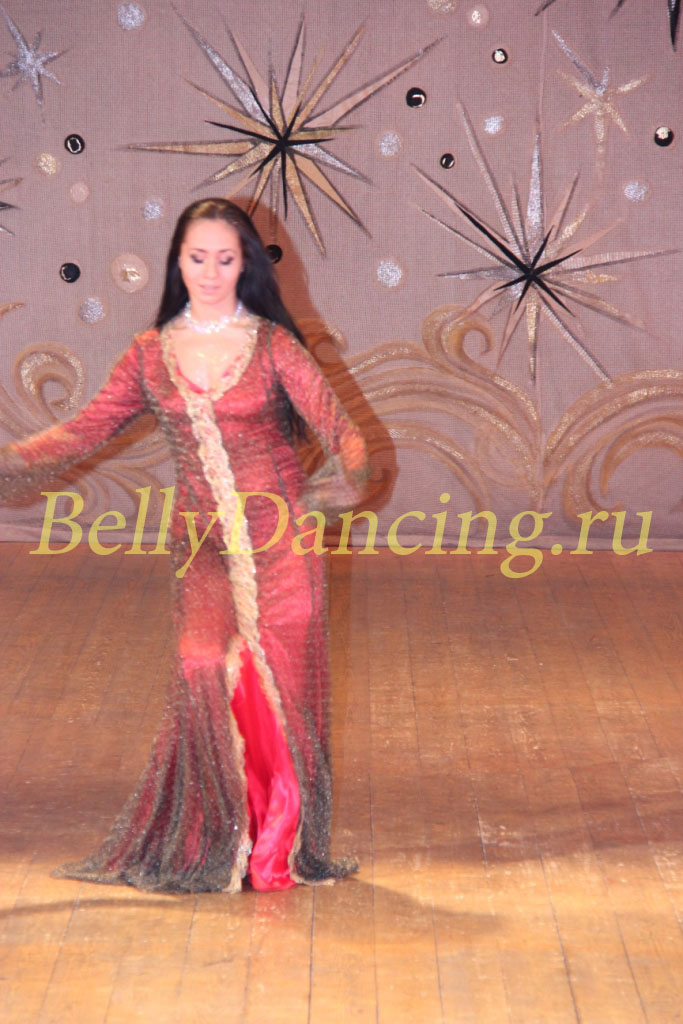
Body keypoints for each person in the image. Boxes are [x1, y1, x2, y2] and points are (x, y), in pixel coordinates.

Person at [0, 198, 369, 893]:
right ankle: (215, 836)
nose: (210, 272)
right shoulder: (150, 354)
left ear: (245, 264)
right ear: (177, 262)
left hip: (281, 541)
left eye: (225, 259)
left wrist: (336, 488)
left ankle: (274, 847)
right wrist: (11, 459)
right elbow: (81, 432)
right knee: (202, 664)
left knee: (277, 681)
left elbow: (343, 432)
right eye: (197, 258)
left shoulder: (274, 347)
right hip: (200, 543)